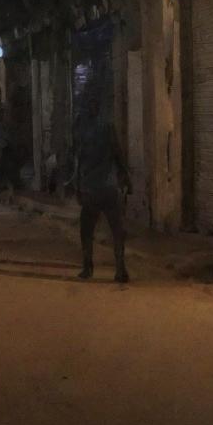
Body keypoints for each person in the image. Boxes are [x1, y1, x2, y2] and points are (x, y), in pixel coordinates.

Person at [73, 91, 131, 283]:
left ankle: (88, 268)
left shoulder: (82, 131)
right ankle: (120, 269)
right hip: (109, 187)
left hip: (91, 189)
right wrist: (125, 179)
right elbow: (118, 155)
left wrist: (77, 188)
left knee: (86, 230)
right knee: (117, 230)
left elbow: (77, 161)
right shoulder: (108, 127)